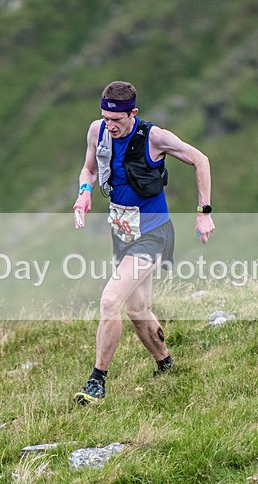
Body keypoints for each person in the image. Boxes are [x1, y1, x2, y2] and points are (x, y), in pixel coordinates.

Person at [72, 81, 214, 405]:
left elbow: (201, 159)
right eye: (106, 118)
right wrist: (83, 193)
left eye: (117, 120)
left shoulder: (155, 138)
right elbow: (89, 170)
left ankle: (97, 381)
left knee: (110, 301)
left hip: (153, 235)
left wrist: (204, 212)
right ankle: (166, 364)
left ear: (133, 113)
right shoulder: (98, 131)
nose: (111, 126)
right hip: (122, 234)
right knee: (138, 309)